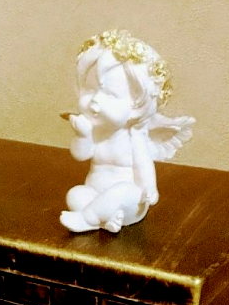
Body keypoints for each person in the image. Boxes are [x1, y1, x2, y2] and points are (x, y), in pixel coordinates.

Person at [60, 30, 194, 234]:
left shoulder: (134, 137)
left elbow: (143, 165)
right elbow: (81, 154)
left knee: (121, 192)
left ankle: (87, 218)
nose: (95, 100)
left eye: (110, 94)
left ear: (137, 106)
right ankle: (105, 217)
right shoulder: (97, 132)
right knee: (75, 194)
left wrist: (150, 189)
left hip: (130, 201)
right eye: (90, 89)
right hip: (95, 194)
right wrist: (83, 136)